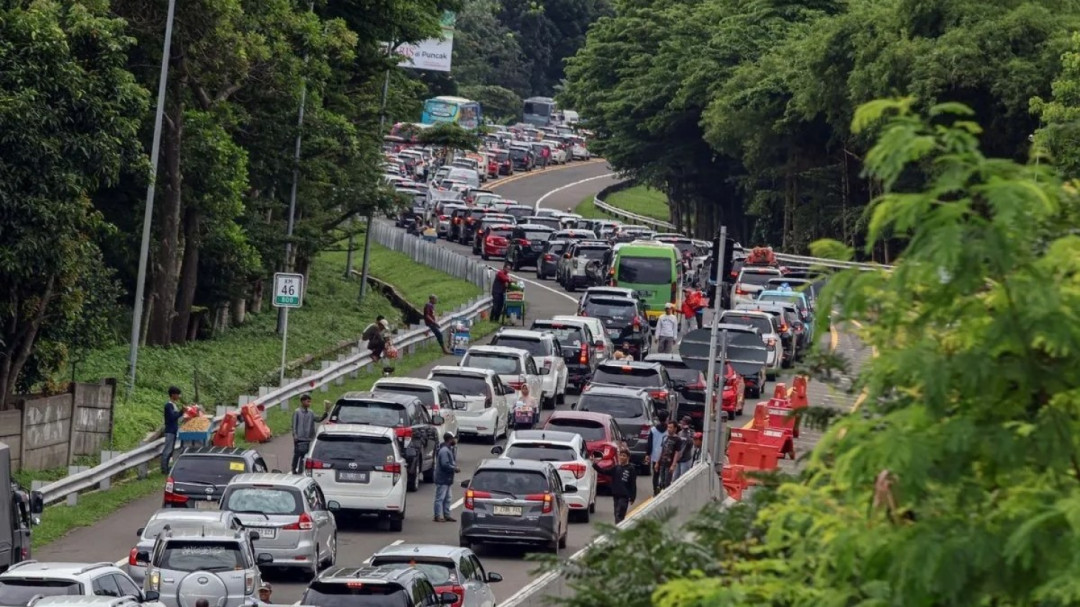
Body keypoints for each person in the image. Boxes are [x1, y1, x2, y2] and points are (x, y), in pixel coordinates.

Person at [591, 449, 637, 523]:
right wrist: (594, 465)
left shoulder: (631, 469)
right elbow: (604, 472)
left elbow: (633, 484)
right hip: (616, 495)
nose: (622, 457)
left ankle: (619, 529)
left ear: (628, 457)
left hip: (624, 496)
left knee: (619, 513)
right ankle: (619, 529)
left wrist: (632, 497)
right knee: (616, 514)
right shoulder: (616, 468)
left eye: (624, 456)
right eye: (621, 455)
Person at [291, 394, 328, 474]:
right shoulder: (297, 412)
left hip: (308, 437)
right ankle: (294, 468)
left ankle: (301, 469)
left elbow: (318, 419)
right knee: (297, 454)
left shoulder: (310, 412)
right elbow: (294, 425)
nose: (309, 403)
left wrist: (324, 415)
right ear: (303, 401)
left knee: (304, 455)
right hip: (299, 437)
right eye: (308, 401)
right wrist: (295, 435)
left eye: (310, 402)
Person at [433, 433, 460, 522]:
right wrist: (454, 468)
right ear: (449, 439)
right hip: (443, 478)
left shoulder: (448, 449)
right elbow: (445, 464)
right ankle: (437, 516)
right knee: (440, 498)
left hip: (447, 479)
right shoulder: (445, 451)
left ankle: (446, 515)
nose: (455, 441)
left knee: (448, 498)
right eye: (453, 439)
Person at [644, 411, 669, 496]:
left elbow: (649, 443)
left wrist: (648, 454)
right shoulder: (669, 430)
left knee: (656, 474)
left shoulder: (653, 430)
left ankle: (655, 491)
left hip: (655, 455)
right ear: (666, 419)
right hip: (666, 456)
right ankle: (663, 489)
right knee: (665, 474)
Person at [162, 386, 185, 474]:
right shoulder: (169, 405)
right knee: (167, 450)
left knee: (170, 450)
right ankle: (164, 469)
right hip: (170, 430)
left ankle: (166, 467)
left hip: (173, 430)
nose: (179, 396)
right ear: (173, 395)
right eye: (177, 394)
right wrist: (181, 412)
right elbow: (172, 417)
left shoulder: (173, 405)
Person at [656, 420, 684, 492]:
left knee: (667, 482)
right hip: (662, 462)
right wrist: (657, 462)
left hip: (669, 464)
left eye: (671, 427)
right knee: (661, 481)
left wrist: (673, 465)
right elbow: (661, 450)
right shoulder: (665, 437)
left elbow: (677, 453)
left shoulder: (678, 440)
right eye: (668, 427)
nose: (669, 429)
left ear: (675, 429)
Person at [672, 416, 695, 481]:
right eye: (682, 422)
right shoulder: (680, 433)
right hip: (678, 459)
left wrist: (688, 433)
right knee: (675, 478)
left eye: (685, 423)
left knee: (683, 479)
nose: (682, 424)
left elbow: (691, 443)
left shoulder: (691, 433)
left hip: (686, 459)